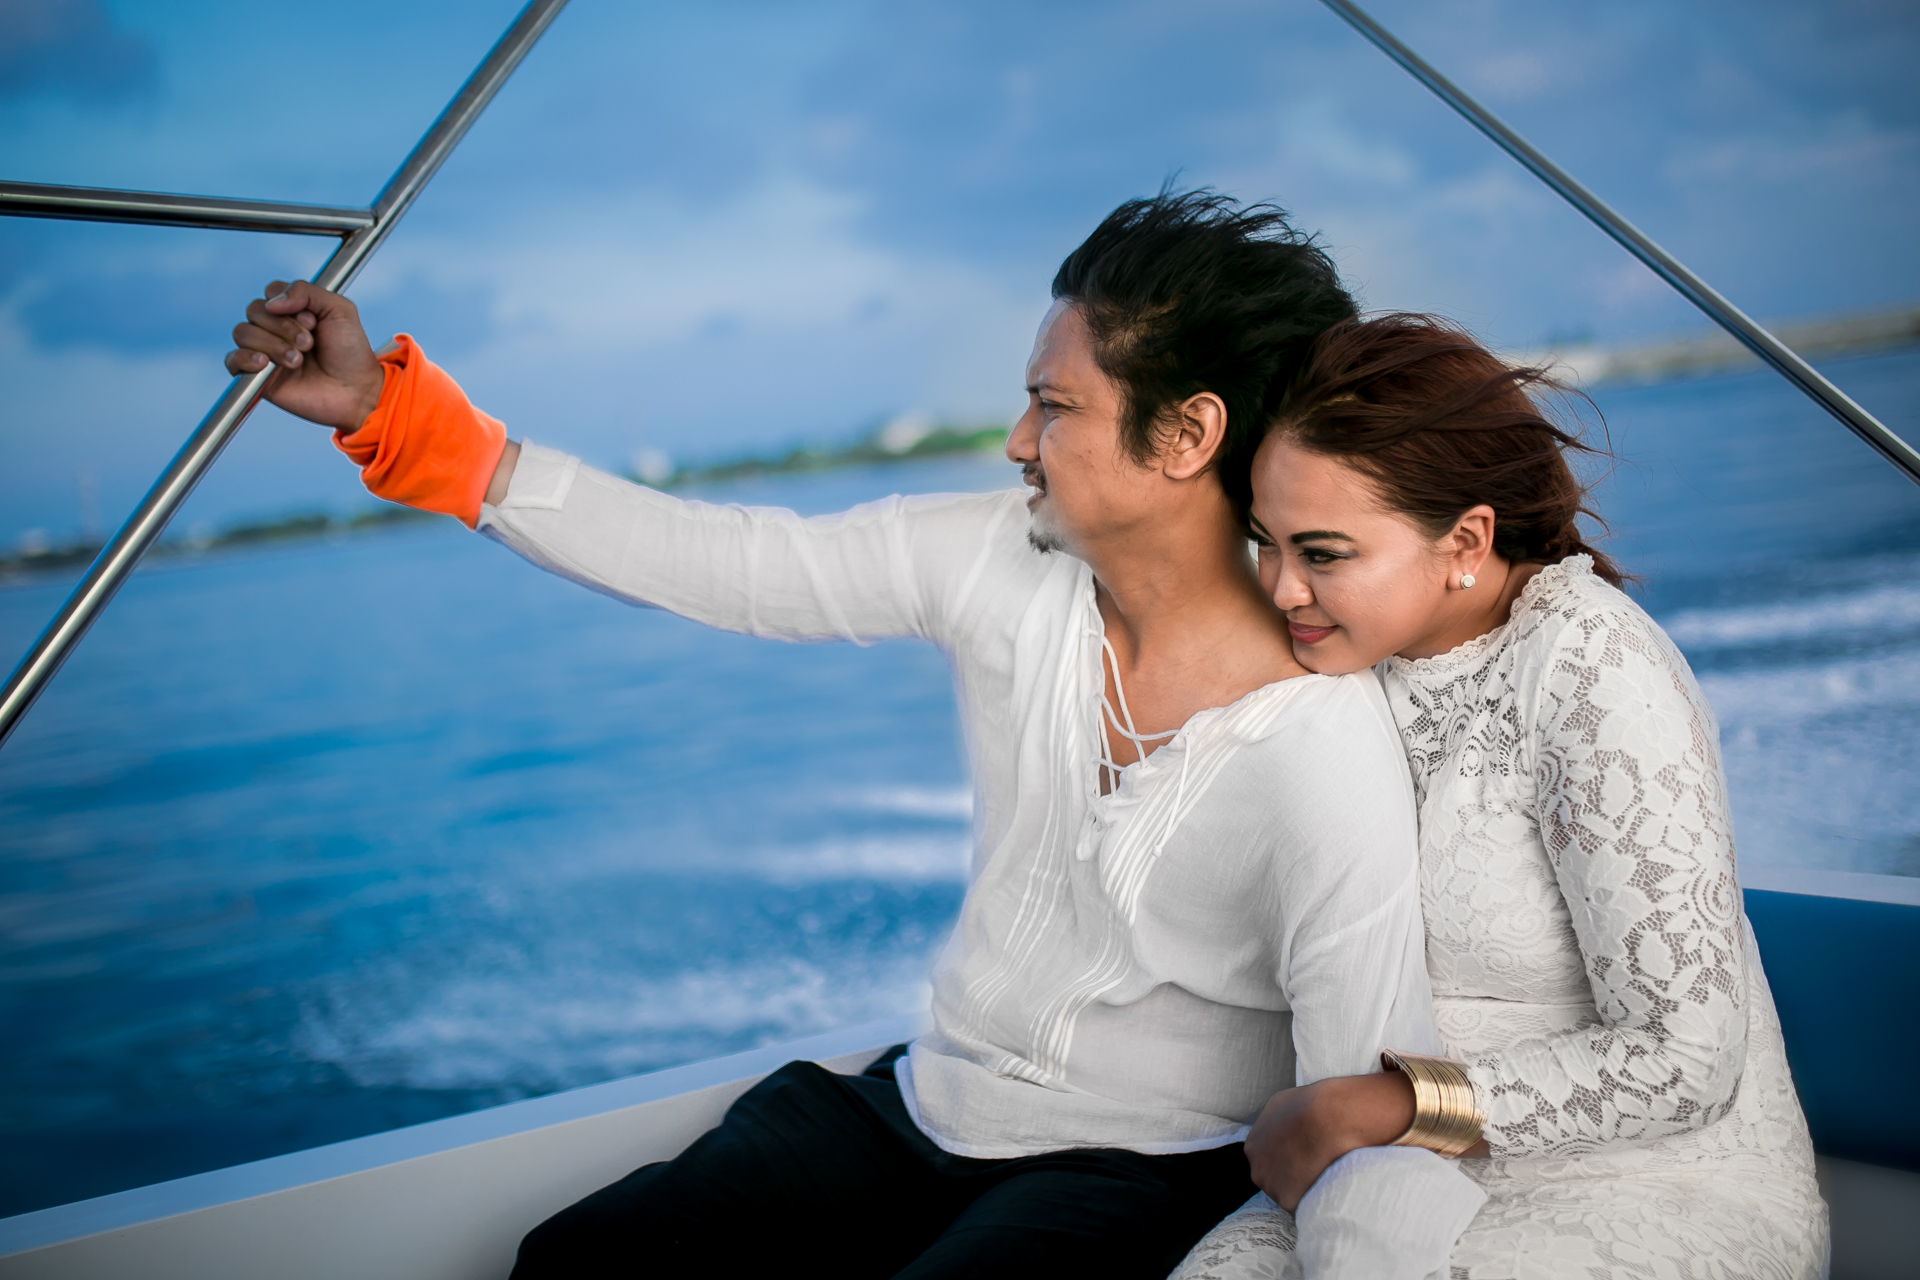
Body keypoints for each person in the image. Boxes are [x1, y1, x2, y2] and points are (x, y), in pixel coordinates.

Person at [225, 193, 1470, 1279]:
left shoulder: (1322, 740)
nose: (1017, 442)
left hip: (1146, 1166)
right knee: (576, 1260)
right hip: (915, 1105)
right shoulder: (998, 557)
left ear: (1187, 435)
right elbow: (730, 562)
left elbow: (1374, 1086)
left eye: (1053, 406)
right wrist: (393, 409)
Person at [1174, 313, 1826, 1279]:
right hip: (1385, 1167)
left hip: (1651, 1184)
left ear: (1466, 540)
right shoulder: (1346, 661)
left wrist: (1393, 1104)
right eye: (1265, 543)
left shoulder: (1590, 667)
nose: (1281, 590)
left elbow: (1688, 1058)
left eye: (1324, 553)